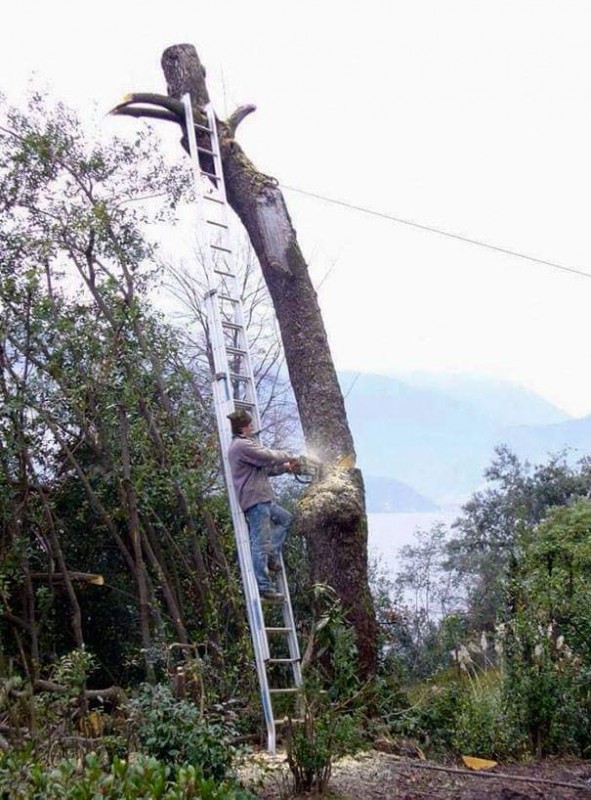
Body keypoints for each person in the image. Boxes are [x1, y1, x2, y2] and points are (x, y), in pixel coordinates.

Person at [227, 409, 297, 601]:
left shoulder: (245, 446)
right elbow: (268, 456)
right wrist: (290, 455)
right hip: (255, 500)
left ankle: (273, 555)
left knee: (286, 519)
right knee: (260, 543)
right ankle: (265, 587)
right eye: (249, 424)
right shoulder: (241, 446)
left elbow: (266, 469)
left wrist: (286, 468)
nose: (252, 427)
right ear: (243, 427)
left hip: (262, 498)